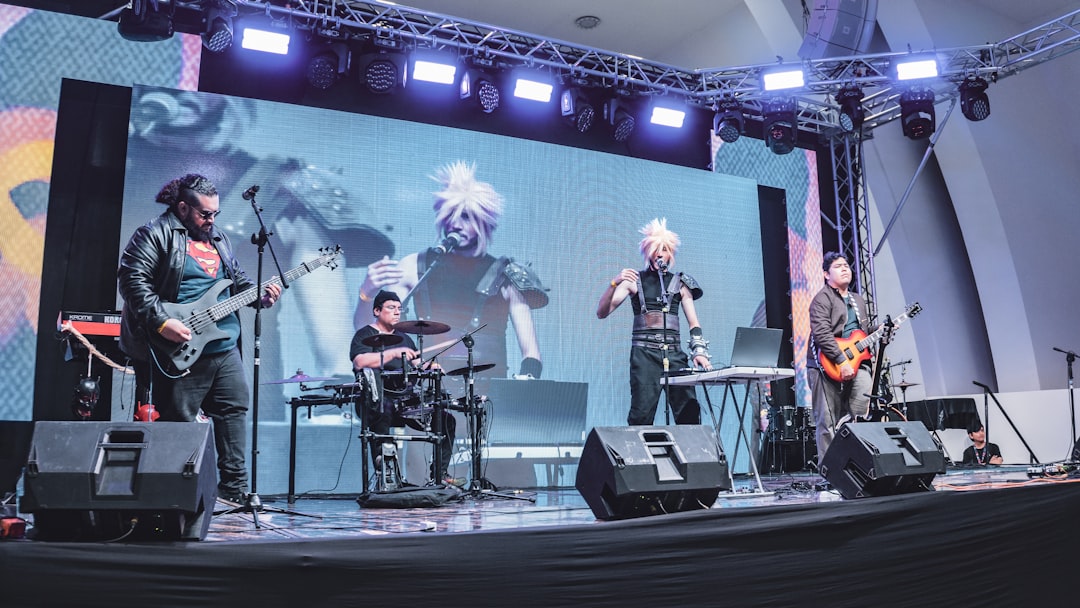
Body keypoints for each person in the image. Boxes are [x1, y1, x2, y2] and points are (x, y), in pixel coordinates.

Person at [118, 173, 281, 503]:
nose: (211, 220)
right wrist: (163, 323)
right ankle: (177, 497)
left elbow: (238, 282)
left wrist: (258, 295)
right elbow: (132, 282)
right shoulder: (154, 234)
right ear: (182, 207)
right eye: (205, 213)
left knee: (233, 411)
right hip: (178, 348)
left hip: (223, 346)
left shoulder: (219, 238)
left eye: (215, 214)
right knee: (179, 423)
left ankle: (233, 492)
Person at [354, 161, 547, 381]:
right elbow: (369, 335)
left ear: (484, 220)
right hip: (428, 392)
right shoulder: (412, 267)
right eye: (450, 215)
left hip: (489, 396)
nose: (455, 224)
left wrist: (528, 379)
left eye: (465, 216)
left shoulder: (506, 275)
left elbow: (532, 353)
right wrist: (366, 293)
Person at [596, 218, 713, 426]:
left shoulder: (681, 282)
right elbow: (601, 312)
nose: (660, 254)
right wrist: (614, 282)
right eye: (656, 249)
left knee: (689, 414)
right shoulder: (633, 280)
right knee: (641, 415)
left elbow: (694, 323)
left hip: (675, 355)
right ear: (648, 251)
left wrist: (700, 352)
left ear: (671, 254)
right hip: (644, 356)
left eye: (665, 249)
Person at [350, 290, 457, 486]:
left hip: (405, 402)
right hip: (377, 401)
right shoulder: (365, 334)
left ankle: (440, 474)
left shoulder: (404, 338)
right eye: (391, 308)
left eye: (400, 308)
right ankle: (388, 477)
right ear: (376, 311)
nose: (397, 312)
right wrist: (393, 353)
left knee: (446, 419)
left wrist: (430, 366)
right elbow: (359, 361)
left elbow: (417, 363)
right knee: (382, 410)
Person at [808, 251, 877, 466]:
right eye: (838, 266)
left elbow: (860, 333)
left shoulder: (858, 300)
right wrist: (840, 360)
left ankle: (858, 465)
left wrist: (880, 330)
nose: (845, 268)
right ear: (826, 274)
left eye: (846, 265)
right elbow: (822, 334)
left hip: (858, 363)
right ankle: (830, 470)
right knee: (827, 421)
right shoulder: (822, 299)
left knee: (860, 414)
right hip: (825, 364)